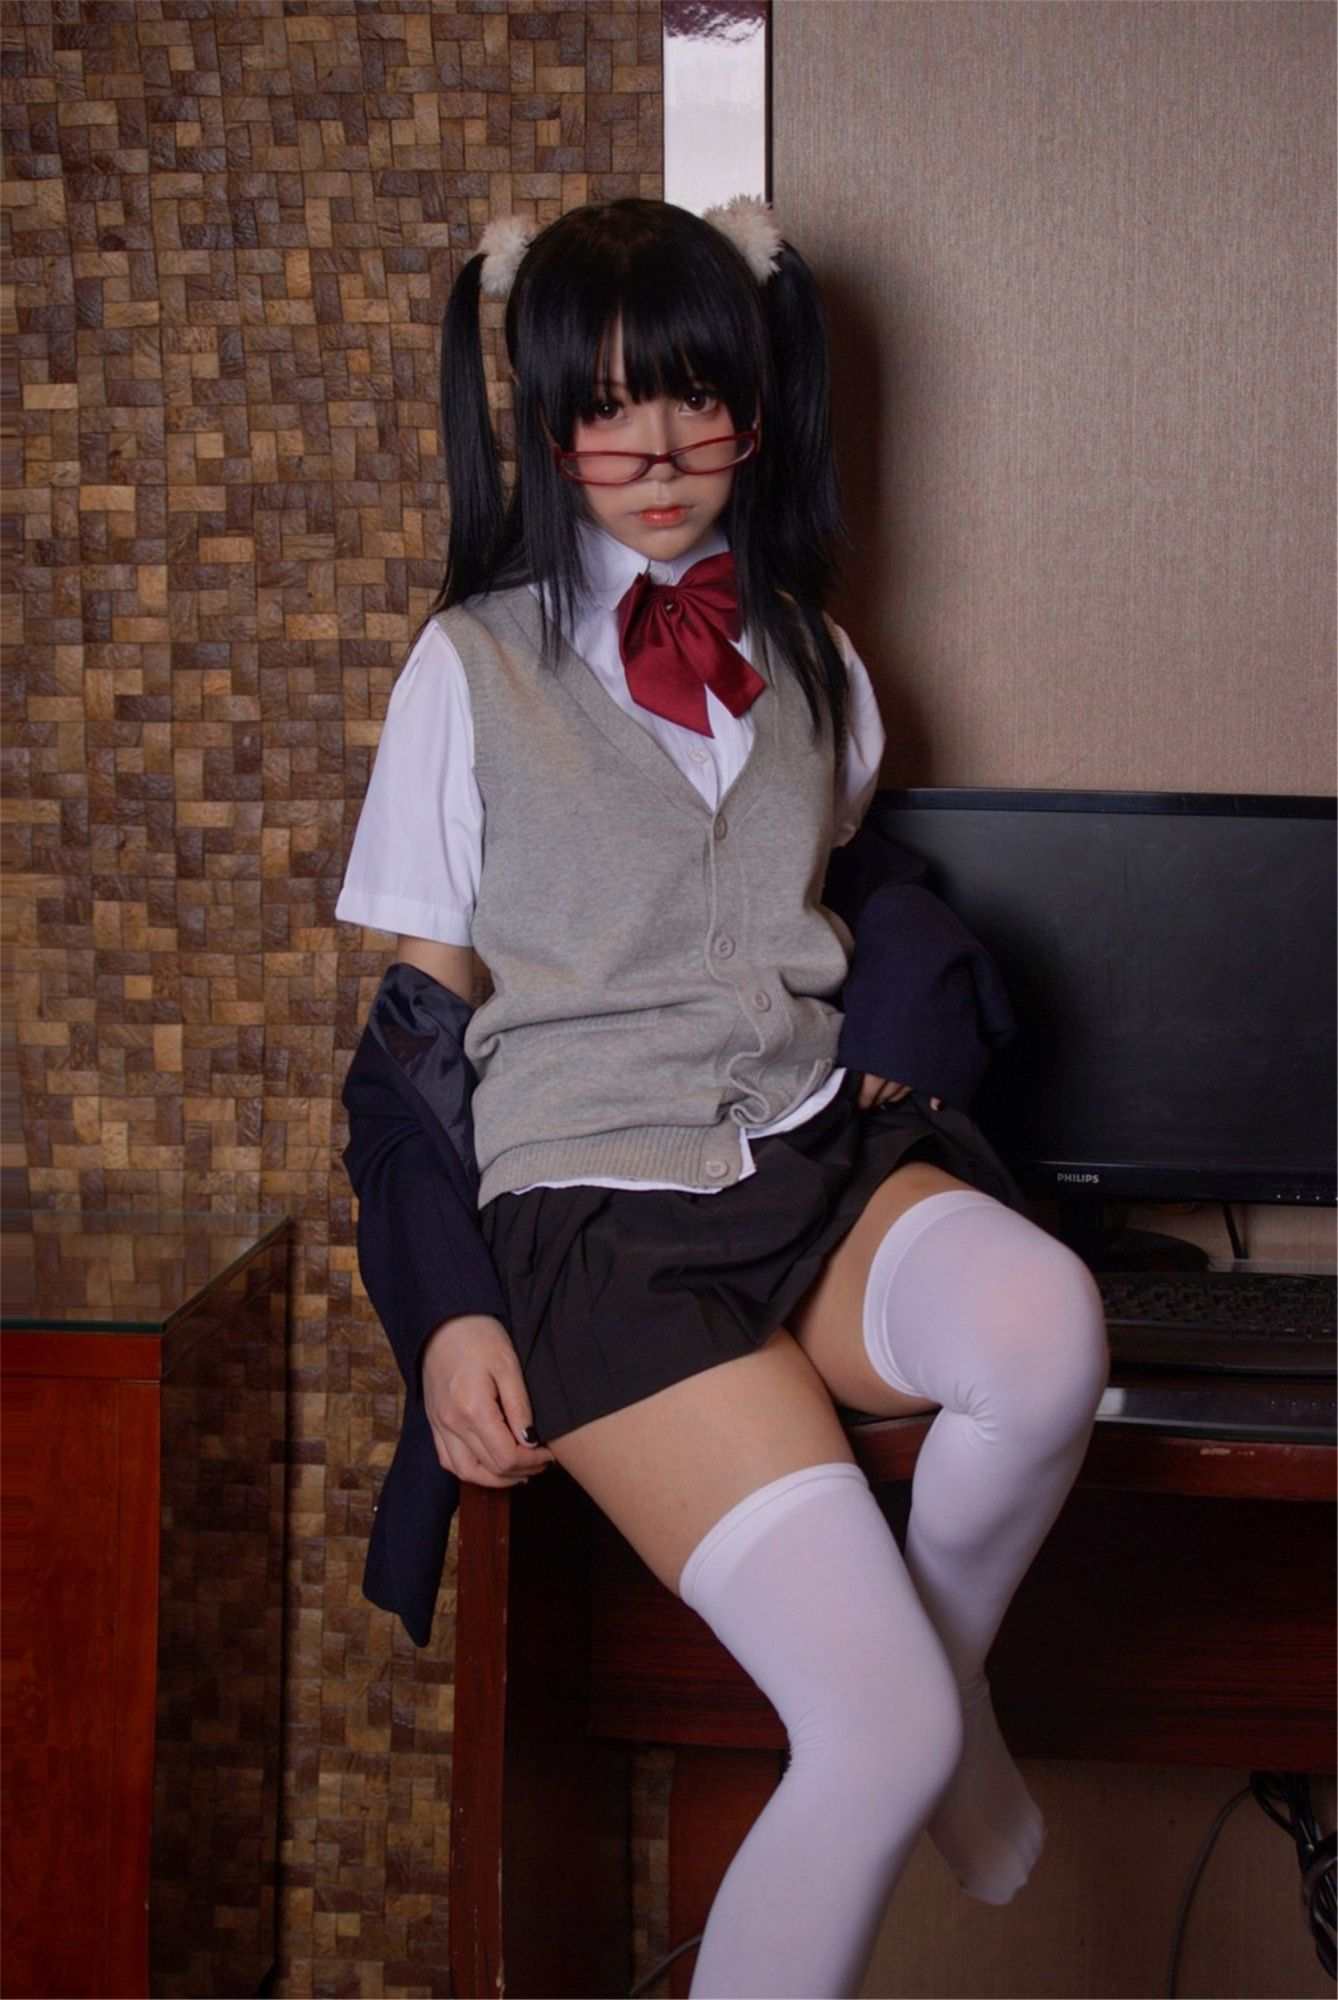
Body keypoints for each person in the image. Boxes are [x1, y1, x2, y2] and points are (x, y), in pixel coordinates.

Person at [335, 195, 1110, 2000]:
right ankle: (928, 1728)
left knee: (1047, 1327)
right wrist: (443, 1309)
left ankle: (952, 1699)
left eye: (695, 398)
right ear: (544, 423)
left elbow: (846, 895)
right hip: (597, 1211)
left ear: (754, 409)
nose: (660, 451)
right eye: (607, 408)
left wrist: (903, 1023)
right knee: (867, 1734)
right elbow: (409, 1036)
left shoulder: (817, 659)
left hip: (806, 1147)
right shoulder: (468, 668)